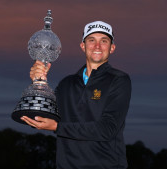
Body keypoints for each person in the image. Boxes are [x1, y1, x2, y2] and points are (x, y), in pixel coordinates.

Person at [21, 21, 132, 169]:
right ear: (83, 46)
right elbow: (42, 118)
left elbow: (107, 129)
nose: (97, 46)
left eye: (103, 41)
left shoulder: (119, 80)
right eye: (91, 40)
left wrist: (57, 127)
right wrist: (39, 84)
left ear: (112, 48)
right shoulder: (66, 84)